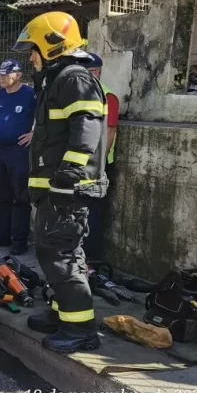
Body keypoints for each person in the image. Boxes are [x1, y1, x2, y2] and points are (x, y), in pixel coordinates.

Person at [11, 11, 108, 354]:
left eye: (33, 50)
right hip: (56, 188)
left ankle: (80, 329)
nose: (31, 58)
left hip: (69, 190)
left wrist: (67, 178)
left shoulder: (73, 79)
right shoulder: (59, 79)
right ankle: (62, 313)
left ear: (52, 45)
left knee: (60, 254)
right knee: (58, 251)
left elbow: (87, 130)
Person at [0, 59, 36, 255]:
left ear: (19, 75)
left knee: (20, 197)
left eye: (6, 74)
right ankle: (1, 236)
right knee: (3, 196)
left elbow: (45, 116)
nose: (1, 78)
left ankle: (19, 241)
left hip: (18, 152)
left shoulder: (30, 95)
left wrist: (34, 133)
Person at [83, 53, 118, 263]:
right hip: (81, 165)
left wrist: (100, 165)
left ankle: (91, 261)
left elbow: (110, 131)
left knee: (93, 216)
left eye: (87, 72)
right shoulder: (81, 95)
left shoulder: (108, 96)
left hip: (99, 166)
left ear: (96, 72)